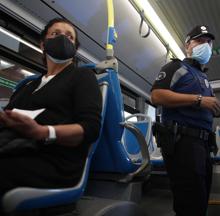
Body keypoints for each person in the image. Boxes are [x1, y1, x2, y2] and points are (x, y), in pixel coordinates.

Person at [0, 18, 102, 200]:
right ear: (43, 44)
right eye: (55, 34)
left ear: (75, 49)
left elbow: (90, 128)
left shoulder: (82, 77)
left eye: (69, 37)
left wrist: (42, 131)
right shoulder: (27, 86)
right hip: (14, 147)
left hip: (54, 161)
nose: (63, 38)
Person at [151, 25, 220, 216]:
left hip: (203, 144)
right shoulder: (176, 67)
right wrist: (198, 100)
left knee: (200, 202)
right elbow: (156, 96)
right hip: (183, 143)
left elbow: (206, 108)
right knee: (190, 204)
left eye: (208, 42)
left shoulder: (204, 77)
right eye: (199, 41)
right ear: (187, 45)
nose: (205, 45)